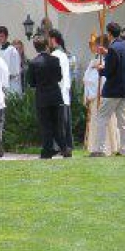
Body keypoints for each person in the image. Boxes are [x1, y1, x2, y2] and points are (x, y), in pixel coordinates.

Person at [92, 22, 125, 157]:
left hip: (112, 90)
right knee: (123, 121)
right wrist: (106, 53)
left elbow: (109, 70)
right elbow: (120, 62)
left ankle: (99, 149)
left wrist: (101, 69)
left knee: (101, 118)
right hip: (124, 90)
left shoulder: (113, 48)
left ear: (109, 33)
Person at [27, 35, 69, 159]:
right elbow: (59, 77)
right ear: (46, 46)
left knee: (45, 125)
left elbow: (31, 82)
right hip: (55, 95)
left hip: (42, 97)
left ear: (35, 48)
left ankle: (47, 150)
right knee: (57, 125)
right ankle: (64, 148)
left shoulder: (33, 62)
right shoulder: (55, 60)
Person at [83, 35, 120, 155]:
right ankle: (101, 147)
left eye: (94, 45)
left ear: (100, 46)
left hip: (102, 95)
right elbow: (88, 78)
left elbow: (95, 79)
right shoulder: (96, 59)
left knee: (104, 121)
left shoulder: (105, 59)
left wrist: (97, 70)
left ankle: (104, 147)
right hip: (97, 96)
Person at [48, 29, 73, 157]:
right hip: (65, 93)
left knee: (60, 124)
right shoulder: (63, 54)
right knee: (65, 124)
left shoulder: (56, 55)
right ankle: (67, 146)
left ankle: (62, 147)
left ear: (53, 39)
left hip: (58, 92)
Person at [0, 26, 22, 94]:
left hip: (12, 85)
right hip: (1, 86)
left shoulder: (12, 50)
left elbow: (16, 71)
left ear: (6, 37)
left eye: (1, 36)